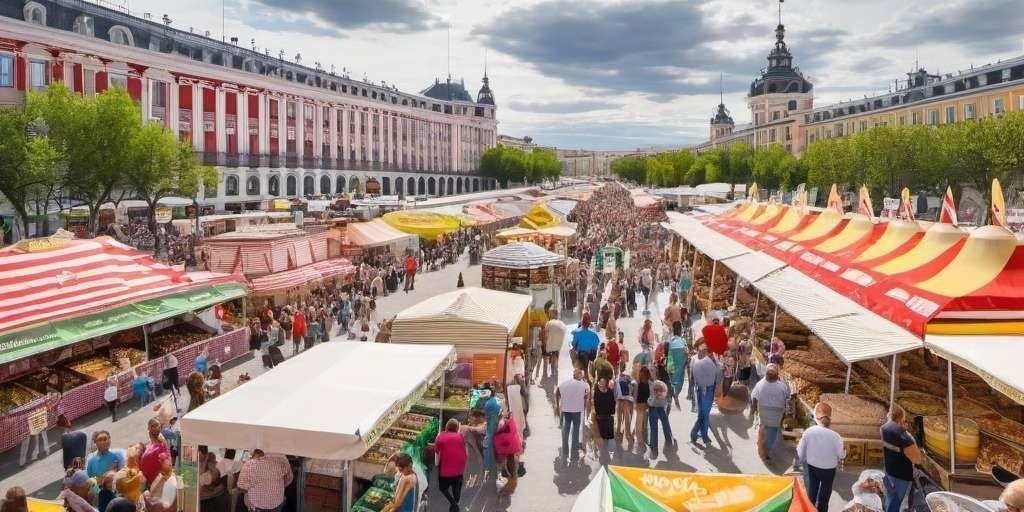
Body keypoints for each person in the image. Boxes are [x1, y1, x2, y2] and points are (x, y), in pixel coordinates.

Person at [798, 402, 845, 512]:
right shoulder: (836, 436)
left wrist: (800, 461)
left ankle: (810, 509)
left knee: (813, 488)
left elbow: (800, 451)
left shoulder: (809, 432)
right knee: (825, 492)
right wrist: (845, 452)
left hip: (812, 465)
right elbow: (841, 455)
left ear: (817, 418)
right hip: (829, 469)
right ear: (830, 420)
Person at [880, 405, 921, 512]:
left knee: (889, 498)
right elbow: (917, 459)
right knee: (895, 502)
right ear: (901, 417)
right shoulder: (904, 436)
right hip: (901, 475)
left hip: (889, 470)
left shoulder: (884, 428)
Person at [751, 363, 791, 461]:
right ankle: (765, 451)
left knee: (763, 429)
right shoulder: (782, 386)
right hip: (776, 414)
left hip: (763, 412)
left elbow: (753, 398)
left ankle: (760, 443)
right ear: (777, 375)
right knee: (772, 433)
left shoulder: (760, 384)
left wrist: (754, 410)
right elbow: (788, 397)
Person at [556, 368, 590, 464]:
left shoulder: (565, 383)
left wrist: (558, 405)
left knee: (565, 429)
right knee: (575, 431)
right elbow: (587, 398)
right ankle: (574, 453)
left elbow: (557, 392)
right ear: (580, 375)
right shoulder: (585, 385)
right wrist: (585, 409)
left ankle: (565, 450)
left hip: (566, 410)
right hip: (577, 411)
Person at [434, 419, 467, 512]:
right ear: (457, 428)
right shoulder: (460, 436)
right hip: (459, 470)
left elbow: (436, 453)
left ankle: (453, 503)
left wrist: (437, 464)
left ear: (446, 427)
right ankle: (455, 503)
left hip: (445, 471)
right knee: (457, 488)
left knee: (443, 488)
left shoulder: (441, 437)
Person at [689, 343, 719, 447]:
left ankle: (701, 434)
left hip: (703, 389)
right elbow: (717, 373)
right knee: (704, 415)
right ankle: (698, 434)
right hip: (706, 390)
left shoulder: (699, 359)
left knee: (703, 414)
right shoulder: (705, 361)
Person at [591, 377, 617, 466]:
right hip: (600, 417)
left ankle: (605, 454)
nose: (601, 384)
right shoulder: (597, 392)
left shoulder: (609, 391)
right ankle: (603, 454)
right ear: (598, 383)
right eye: (600, 382)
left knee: (606, 437)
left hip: (608, 416)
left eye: (603, 382)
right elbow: (595, 404)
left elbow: (613, 402)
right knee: (601, 436)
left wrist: (612, 412)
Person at [647, 377, 675, 459]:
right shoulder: (662, 384)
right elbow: (666, 397)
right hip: (661, 407)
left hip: (653, 408)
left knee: (653, 429)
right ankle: (668, 438)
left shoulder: (651, 385)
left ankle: (654, 448)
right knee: (665, 423)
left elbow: (650, 399)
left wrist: (648, 403)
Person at [140, 418, 170, 484]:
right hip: (156, 482)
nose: (156, 427)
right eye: (153, 426)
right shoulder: (146, 446)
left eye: (157, 425)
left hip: (158, 481)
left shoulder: (162, 443)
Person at [667, 321, 688, 409]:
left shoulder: (670, 341)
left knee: (672, 381)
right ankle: (676, 395)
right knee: (680, 381)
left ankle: (671, 398)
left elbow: (667, 353)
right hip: (681, 363)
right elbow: (686, 353)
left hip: (672, 365)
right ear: (680, 330)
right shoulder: (683, 341)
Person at [542, 307, 567, 377]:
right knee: (556, 354)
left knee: (548, 354)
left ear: (552, 314)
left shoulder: (548, 323)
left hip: (550, 345)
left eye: (550, 313)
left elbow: (546, 336)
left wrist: (544, 343)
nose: (549, 315)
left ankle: (550, 369)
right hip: (558, 345)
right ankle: (555, 367)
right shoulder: (562, 324)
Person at [634, 366, 652, 455]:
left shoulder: (640, 383)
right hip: (645, 406)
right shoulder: (648, 383)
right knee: (642, 426)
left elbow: (636, 396)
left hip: (641, 406)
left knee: (639, 426)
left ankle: (641, 444)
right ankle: (642, 443)